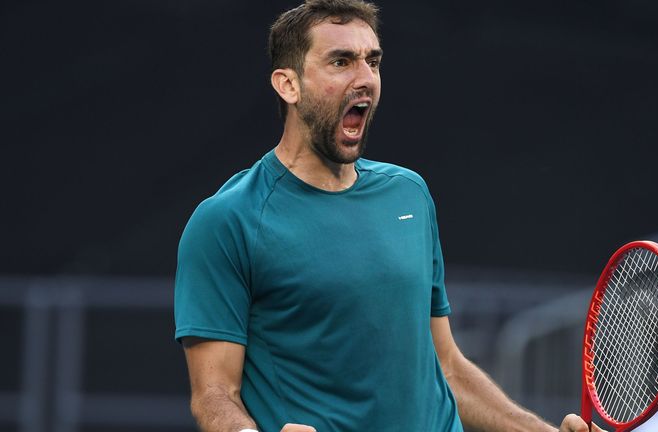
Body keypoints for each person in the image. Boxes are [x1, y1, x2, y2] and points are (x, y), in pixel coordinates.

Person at [174, 1, 602, 431]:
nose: (364, 79)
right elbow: (213, 396)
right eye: (341, 61)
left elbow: (446, 367)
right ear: (288, 84)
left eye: (372, 61)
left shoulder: (409, 193)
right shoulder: (226, 221)